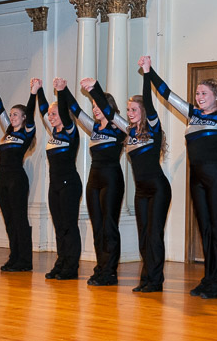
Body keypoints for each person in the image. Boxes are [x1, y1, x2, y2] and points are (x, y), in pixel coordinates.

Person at [145, 51, 217, 299]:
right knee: (205, 228)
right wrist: (149, 71)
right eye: (197, 94)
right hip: (196, 177)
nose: (199, 97)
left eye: (204, 93)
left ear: (216, 96)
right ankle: (208, 278)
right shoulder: (192, 114)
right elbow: (166, 93)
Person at [82, 56, 171, 293]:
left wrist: (147, 73)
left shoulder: (153, 128)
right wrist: (94, 89)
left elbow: (149, 102)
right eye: (128, 109)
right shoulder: (129, 131)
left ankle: (155, 281)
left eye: (134, 109)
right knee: (143, 237)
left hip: (158, 188)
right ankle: (146, 279)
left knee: (154, 235)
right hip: (141, 191)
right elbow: (109, 113)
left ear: (143, 111)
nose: (130, 113)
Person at [64, 81, 125, 286]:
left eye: (98, 106)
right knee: (98, 226)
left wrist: (94, 89)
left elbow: (108, 111)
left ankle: (110, 271)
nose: (95, 109)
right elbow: (76, 110)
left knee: (109, 226)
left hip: (112, 179)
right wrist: (64, 90)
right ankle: (101, 267)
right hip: (94, 179)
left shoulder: (118, 127)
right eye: (93, 106)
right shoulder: (95, 128)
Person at [33, 77, 82, 280]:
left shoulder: (70, 132)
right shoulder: (54, 132)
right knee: (59, 227)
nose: (50, 117)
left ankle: (71, 267)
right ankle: (61, 263)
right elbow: (43, 108)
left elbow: (61, 109)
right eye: (50, 115)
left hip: (69, 184)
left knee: (69, 226)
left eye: (54, 114)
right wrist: (38, 90)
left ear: (63, 114)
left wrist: (61, 92)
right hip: (55, 186)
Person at [0, 73, 36, 272]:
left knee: (19, 219)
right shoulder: (8, 133)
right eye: (12, 114)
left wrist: (33, 94)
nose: (12, 116)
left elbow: (31, 112)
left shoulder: (26, 132)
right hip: (3, 180)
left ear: (24, 118)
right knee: (9, 221)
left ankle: (24, 260)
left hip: (17, 180)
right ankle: (14, 256)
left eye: (16, 114)